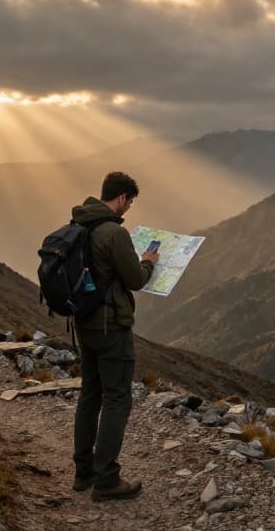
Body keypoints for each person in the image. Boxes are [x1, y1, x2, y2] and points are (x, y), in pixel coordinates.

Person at [70, 171, 160, 502]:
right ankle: (107, 479)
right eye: (130, 202)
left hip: (85, 323)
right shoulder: (113, 233)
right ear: (121, 198)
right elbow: (135, 279)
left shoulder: (80, 224)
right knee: (117, 398)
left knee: (90, 394)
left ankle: (83, 473)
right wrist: (148, 262)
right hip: (111, 327)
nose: (129, 208)